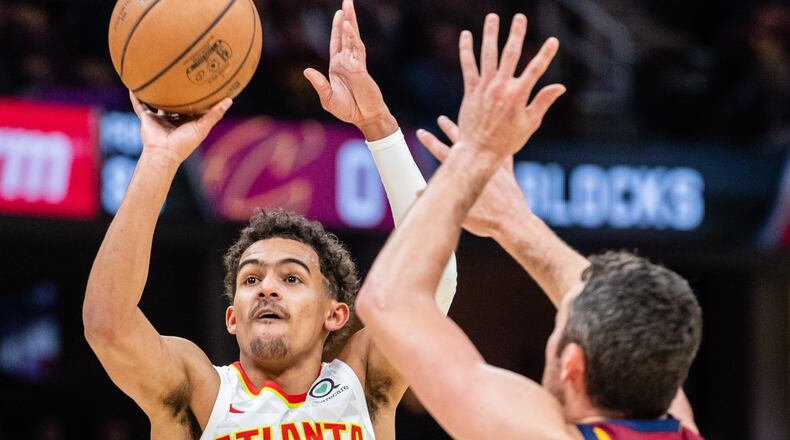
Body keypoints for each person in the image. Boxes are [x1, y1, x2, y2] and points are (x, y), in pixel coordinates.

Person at [83, 1, 456, 439]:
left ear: (334, 315)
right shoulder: (201, 393)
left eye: (293, 278)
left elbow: (429, 285)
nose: (267, 288)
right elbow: (108, 327)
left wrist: (378, 125)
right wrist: (159, 159)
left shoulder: (363, 383)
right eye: (250, 279)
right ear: (232, 318)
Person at [355, 13, 704, 440]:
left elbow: (389, 301)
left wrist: (477, 154)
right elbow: (613, 307)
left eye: (558, 325)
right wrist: (513, 223)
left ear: (571, 363)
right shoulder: (679, 427)